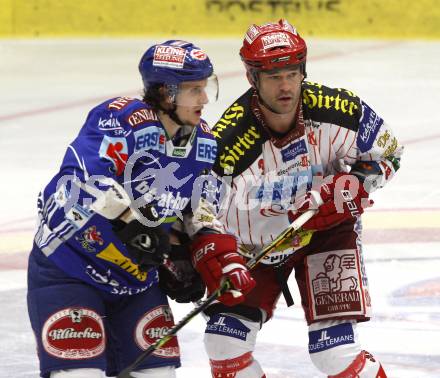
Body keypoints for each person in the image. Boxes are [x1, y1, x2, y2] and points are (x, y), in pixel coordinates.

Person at [188, 19, 403, 377]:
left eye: (291, 73)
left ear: (303, 70)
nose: (285, 86)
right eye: (273, 77)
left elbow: (390, 154)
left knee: (334, 352)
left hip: (326, 235)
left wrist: (354, 183)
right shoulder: (228, 143)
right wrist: (210, 250)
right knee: (223, 345)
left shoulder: (340, 110)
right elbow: (200, 210)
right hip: (253, 248)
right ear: (251, 78)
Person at [27, 40, 220, 378]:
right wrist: (132, 222)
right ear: (164, 93)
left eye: (205, 88)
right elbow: (81, 181)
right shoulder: (120, 119)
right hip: (70, 270)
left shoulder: (203, 143)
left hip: (137, 284)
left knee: (161, 375)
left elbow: (198, 207)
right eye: (194, 89)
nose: (204, 99)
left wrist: (189, 250)